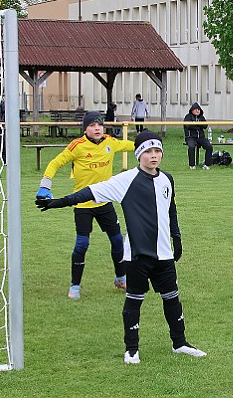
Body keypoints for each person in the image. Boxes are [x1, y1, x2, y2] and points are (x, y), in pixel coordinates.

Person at [36, 130, 207, 364]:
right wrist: (57, 202)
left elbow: (171, 210)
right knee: (134, 300)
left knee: (172, 298)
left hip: (164, 253)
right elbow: (89, 192)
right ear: (138, 155)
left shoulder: (167, 179)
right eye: (148, 151)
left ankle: (180, 343)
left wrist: (177, 238)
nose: (153, 156)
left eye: (157, 151)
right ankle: (132, 349)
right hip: (137, 254)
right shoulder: (125, 180)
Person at [35, 111, 135, 300]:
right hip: (82, 205)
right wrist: (44, 186)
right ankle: (75, 287)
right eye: (92, 125)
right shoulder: (77, 146)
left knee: (116, 241)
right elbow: (55, 163)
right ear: (85, 128)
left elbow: (133, 145)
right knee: (82, 244)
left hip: (105, 202)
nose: (97, 128)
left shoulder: (110, 142)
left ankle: (121, 278)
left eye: (99, 125)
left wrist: (150, 143)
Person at [183, 102, 213, 170]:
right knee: (191, 146)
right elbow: (188, 126)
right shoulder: (188, 117)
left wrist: (196, 124)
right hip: (191, 138)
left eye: (199, 109)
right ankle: (192, 165)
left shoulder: (201, 117)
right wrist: (198, 125)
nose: (197, 111)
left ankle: (207, 164)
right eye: (196, 109)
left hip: (201, 137)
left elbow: (205, 126)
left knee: (209, 146)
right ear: (192, 110)